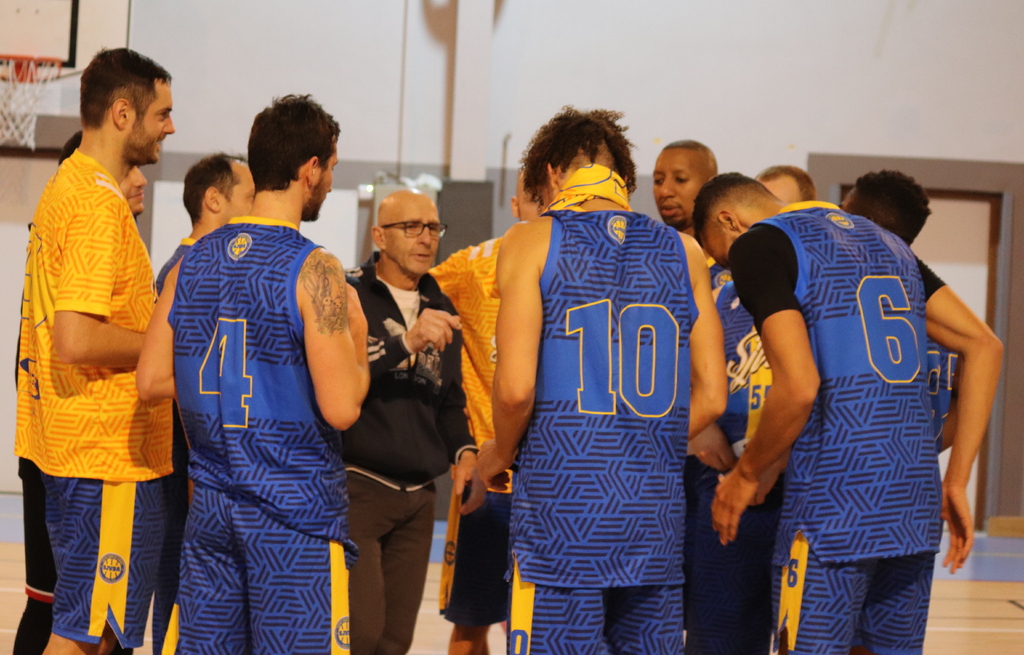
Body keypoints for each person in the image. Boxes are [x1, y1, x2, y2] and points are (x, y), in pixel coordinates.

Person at [695, 173, 1002, 655]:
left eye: (723, 257)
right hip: (913, 504)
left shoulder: (759, 243)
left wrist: (747, 473)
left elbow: (799, 387)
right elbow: (984, 345)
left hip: (832, 505)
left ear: (729, 221)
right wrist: (957, 480)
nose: (729, 268)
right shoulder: (890, 244)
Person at [476, 106, 727, 654]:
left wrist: (499, 454)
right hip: (654, 516)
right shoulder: (685, 251)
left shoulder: (531, 240)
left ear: (549, 173)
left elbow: (515, 390)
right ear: (624, 177)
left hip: (562, 513)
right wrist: (644, 438)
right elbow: (712, 396)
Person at [136, 94, 370, 653]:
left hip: (211, 512)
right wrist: (359, 343)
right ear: (309, 169)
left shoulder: (191, 261)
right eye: (331, 167)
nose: (330, 181)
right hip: (294, 516)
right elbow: (342, 406)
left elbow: (150, 380)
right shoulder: (316, 268)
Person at [16, 47, 175, 655]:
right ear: (122, 113)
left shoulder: (70, 186)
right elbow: (77, 338)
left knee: (94, 633)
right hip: (106, 460)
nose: (170, 127)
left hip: (80, 450)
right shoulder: (95, 204)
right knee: (86, 636)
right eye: (162, 113)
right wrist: (165, 347)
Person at [344, 188, 482, 655]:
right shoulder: (348, 293)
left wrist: (465, 451)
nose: (426, 238)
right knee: (358, 634)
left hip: (419, 497)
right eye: (412, 227)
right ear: (380, 235)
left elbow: (448, 401)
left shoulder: (442, 304)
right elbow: (339, 375)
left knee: (394, 641)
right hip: (357, 487)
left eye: (433, 228)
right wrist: (407, 342)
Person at [431, 173, 542, 655]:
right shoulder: (473, 264)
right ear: (515, 205)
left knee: (538, 622)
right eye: (535, 200)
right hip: (490, 474)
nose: (543, 210)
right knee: (472, 619)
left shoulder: (579, 267)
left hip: (552, 478)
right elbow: (409, 288)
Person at [149, 153, 254, 655]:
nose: (259, 208)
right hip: (191, 460)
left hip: (204, 462)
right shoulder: (190, 268)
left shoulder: (204, 265)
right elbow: (160, 376)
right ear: (214, 200)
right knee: (183, 593)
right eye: (250, 196)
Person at [652, 139, 718, 235]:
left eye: (680, 179)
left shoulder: (733, 243)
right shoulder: (642, 242)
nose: (664, 192)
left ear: (710, 186)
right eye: (658, 180)